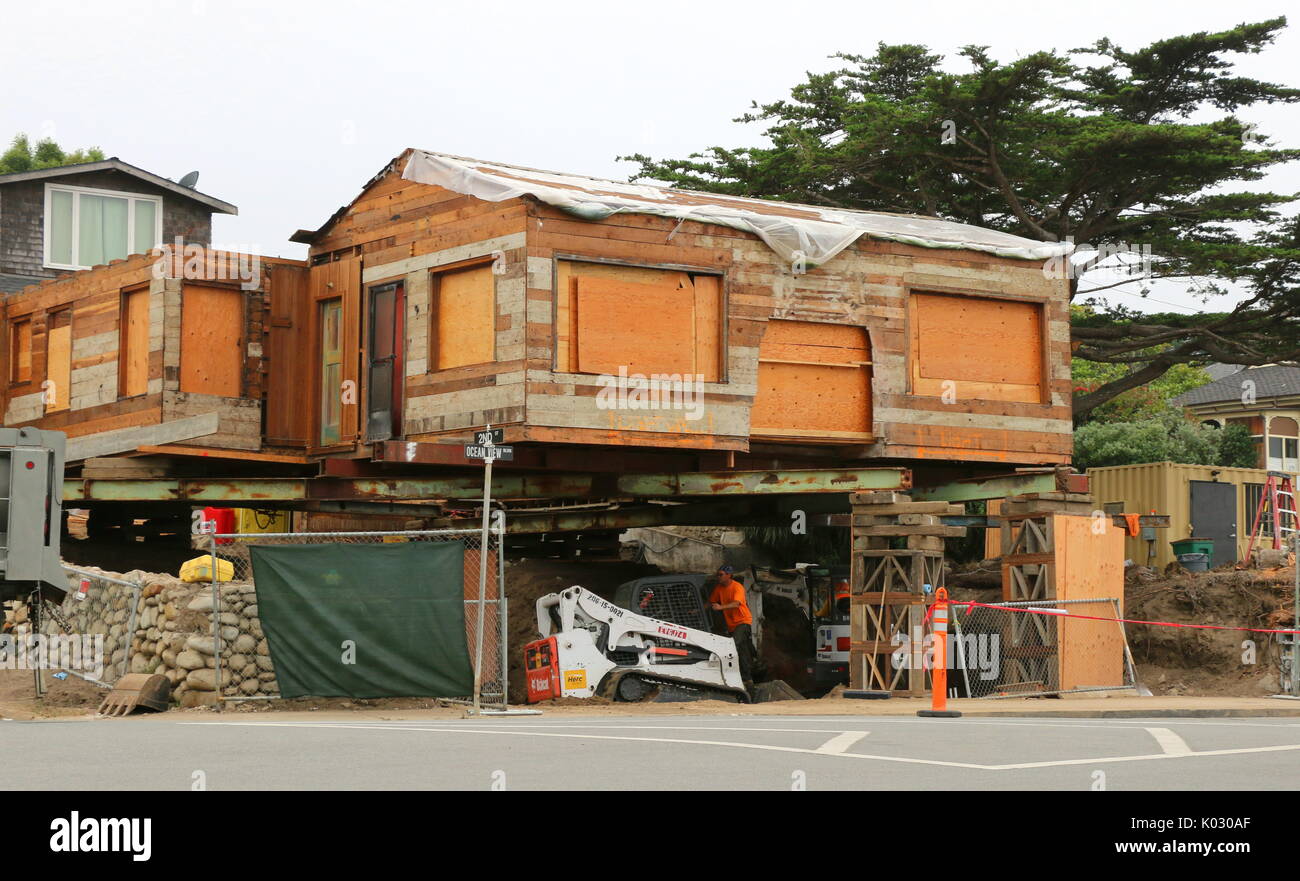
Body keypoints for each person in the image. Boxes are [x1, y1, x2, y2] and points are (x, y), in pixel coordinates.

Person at [708, 565, 758, 693]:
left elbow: (736, 603)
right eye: (718, 575)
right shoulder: (719, 588)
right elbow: (710, 602)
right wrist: (696, 610)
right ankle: (748, 682)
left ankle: (730, 677)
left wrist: (720, 607)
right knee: (741, 652)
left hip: (742, 622)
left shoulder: (737, 587)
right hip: (732, 626)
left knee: (733, 646)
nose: (718, 577)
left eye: (721, 574)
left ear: (729, 575)